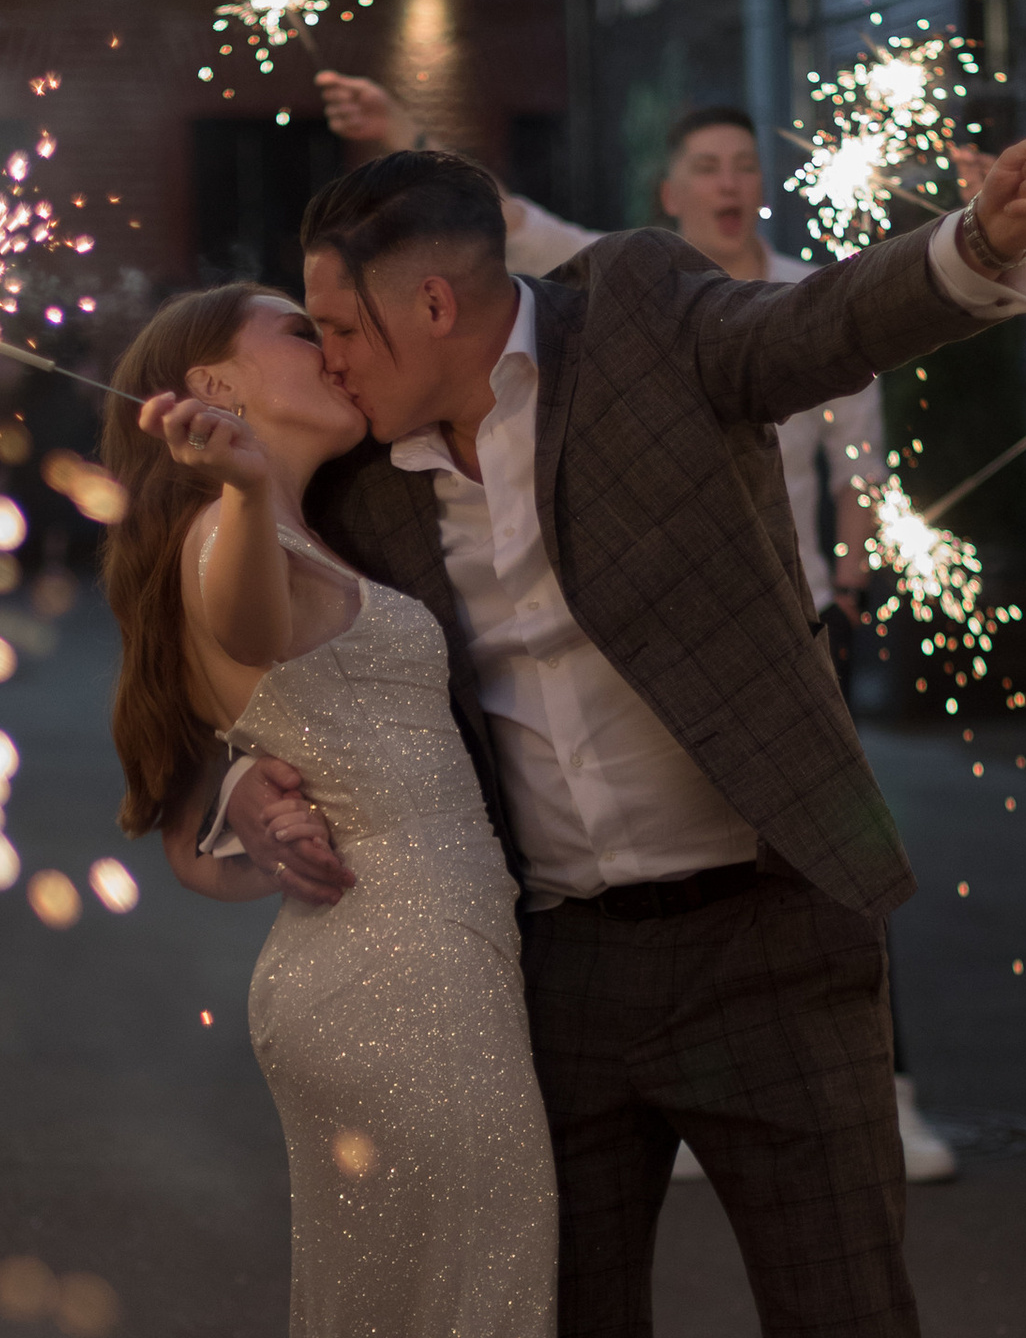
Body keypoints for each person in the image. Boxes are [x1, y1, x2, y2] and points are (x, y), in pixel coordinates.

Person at [216, 123, 1026, 1338]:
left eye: (343, 326)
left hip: (774, 938)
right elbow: (282, 669)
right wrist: (246, 787)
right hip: (554, 975)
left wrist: (977, 244)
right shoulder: (368, 490)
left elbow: (823, 331)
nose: (332, 359)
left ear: (436, 306)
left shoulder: (639, 311)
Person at [5, 282, 561, 1338]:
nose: (328, 342)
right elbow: (238, 611)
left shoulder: (324, 521)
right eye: (290, 329)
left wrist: (241, 811)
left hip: (381, 977)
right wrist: (245, 486)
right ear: (209, 388)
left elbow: (206, 805)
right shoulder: (230, 538)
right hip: (405, 997)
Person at [317, 74, 958, 1182]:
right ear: (670, 191)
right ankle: (688, 1091)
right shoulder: (623, 286)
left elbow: (853, 439)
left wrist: (855, 559)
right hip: (653, 626)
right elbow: (489, 242)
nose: (727, 182)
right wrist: (405, 141)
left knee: (823, 835)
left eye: (743, 165)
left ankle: (884, 1086)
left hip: (794, 615)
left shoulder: (803, 289)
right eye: (706, 166)